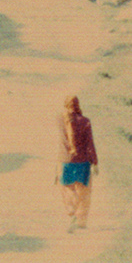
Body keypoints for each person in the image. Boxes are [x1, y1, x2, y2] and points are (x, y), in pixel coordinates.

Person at [58, 95, 98, 232]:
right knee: (84, 193)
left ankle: (72, 213)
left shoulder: (60, 119)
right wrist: (95, 162)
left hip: (65, 161)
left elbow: (66, 117)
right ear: (78, 105)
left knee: (67, 189)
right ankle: (81, 221)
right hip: (83, 162)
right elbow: (90, 143)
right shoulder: (86, 121)